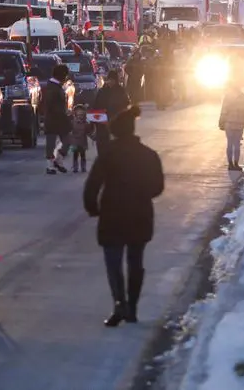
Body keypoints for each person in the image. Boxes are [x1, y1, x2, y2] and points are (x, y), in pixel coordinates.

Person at [83, 105, 164, 327]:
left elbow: (93, 185)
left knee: (114, 263)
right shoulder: (149, 155)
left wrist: (93, 208)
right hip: (140, 215)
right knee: (136, 262)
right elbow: (158, 186)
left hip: (112, 215)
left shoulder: (108, 154)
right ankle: (133, 308)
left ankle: (119, 304)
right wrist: (142, 194)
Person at [41, 64, 72, 175]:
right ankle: (50, 166)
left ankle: (58, 160)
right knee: (51, 143)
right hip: (53, 119)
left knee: (68, 141)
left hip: (61, 118)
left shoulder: (56, 86)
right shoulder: (52, 88)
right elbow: (50, 105)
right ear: (62, 75)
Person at [92, 68, 132, 150]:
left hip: (116, 120)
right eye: (109, 80)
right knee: (102, 143)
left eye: (113, 80)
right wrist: (94, 122)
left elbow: (126, 104)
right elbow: (96, 106)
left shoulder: (121, 91)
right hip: (102, 121)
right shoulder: (102, 91)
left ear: (116, 81)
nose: (111, 82)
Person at [218, 74, 244, 171]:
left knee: (229, 144)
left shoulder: (228, 97)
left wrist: (221, 122)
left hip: (229, 123)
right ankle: (236, 164)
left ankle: (230, 164)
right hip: (239, 124)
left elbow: (224, 110)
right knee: (237, 144)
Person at [68, 104, 92, 173]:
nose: (80, 116)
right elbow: (69, 129)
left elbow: (89, 131)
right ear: (75, 114)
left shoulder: (86, 123)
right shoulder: (73, 122)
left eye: (81, 114)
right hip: (75, 141)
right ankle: (75, 167)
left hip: (82, 141)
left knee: (82, 155)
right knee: (75, 155)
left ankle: (83, 167)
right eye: (78, 114)